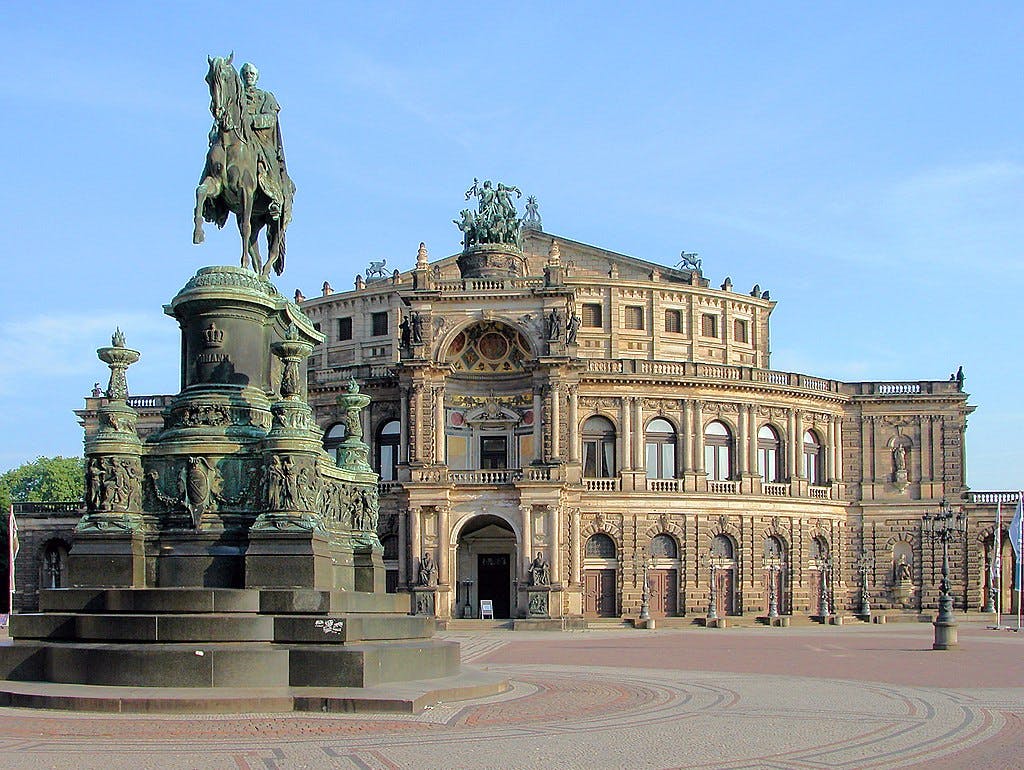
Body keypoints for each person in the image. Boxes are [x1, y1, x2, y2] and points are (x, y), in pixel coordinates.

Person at [240, 63, 292, 220]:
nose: (249, 75)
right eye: (246, 73)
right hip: (239, 137)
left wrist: (251, 120)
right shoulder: (236, 97)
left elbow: (271, 118)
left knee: (270, 158)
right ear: (242, 77)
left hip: (261, 139)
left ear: (257, 76)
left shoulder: (266, 97)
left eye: (252, 73)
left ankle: (275, 197)